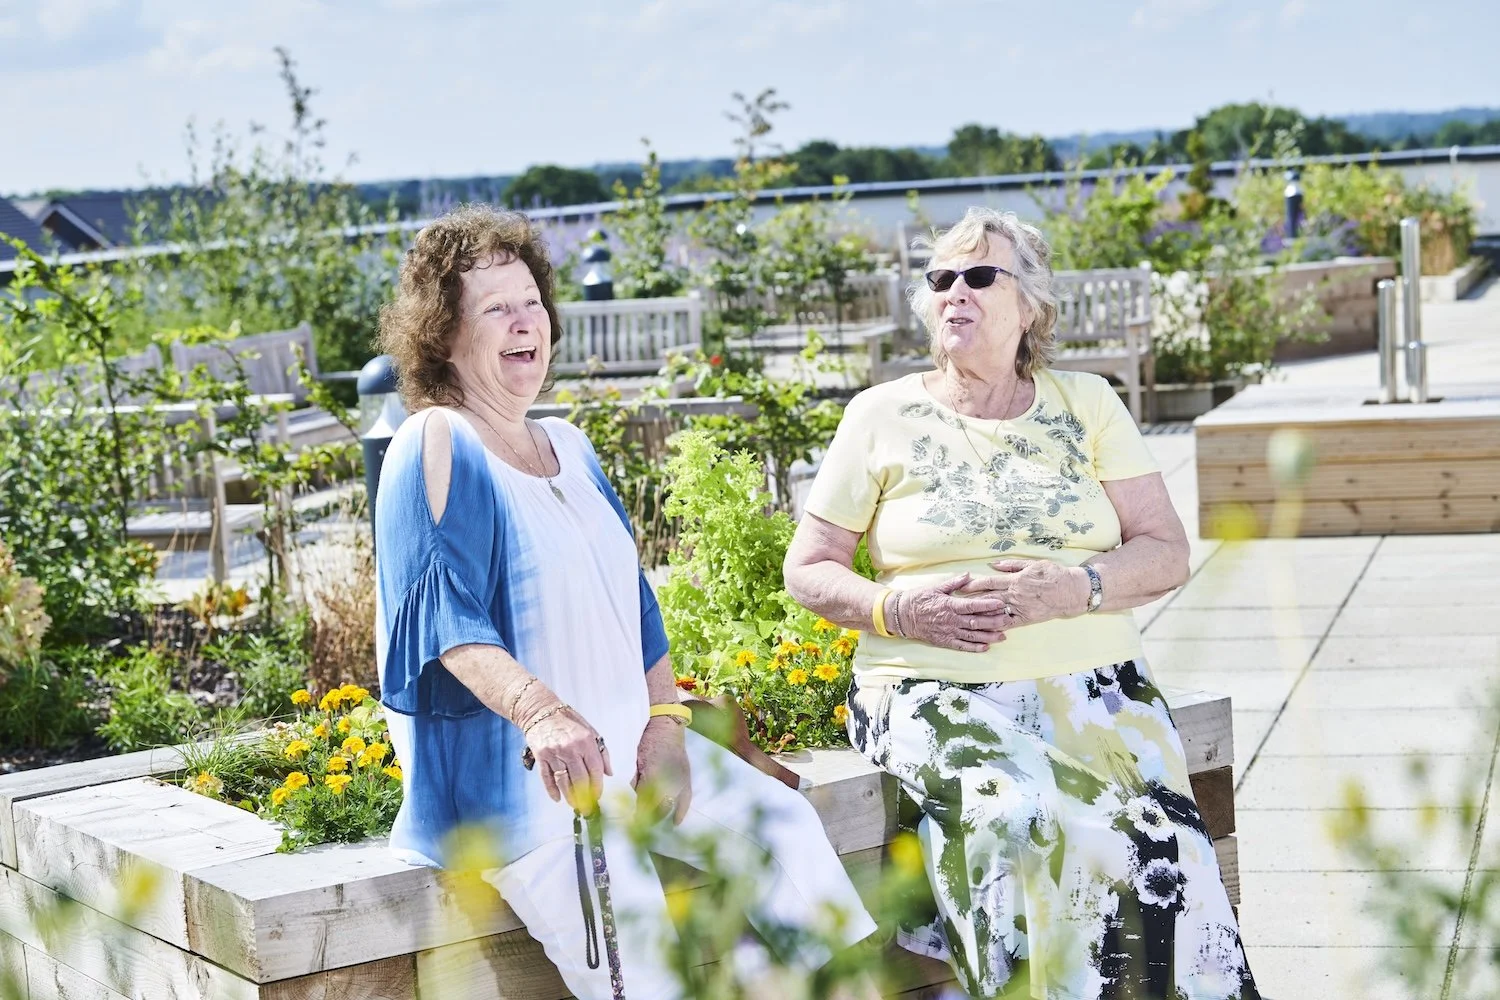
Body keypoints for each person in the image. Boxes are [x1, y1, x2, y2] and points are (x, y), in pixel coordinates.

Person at [373, 204, 876, 998]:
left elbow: (633, 604)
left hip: (631, 753)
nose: (523, 321)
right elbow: (444, 619)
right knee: (645, 973)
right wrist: (540, 711)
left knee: (787, 833)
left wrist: (668, 729)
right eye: (496, 309)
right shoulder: (437, 442)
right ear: (442, 335)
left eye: (532, 301)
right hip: (532, 792)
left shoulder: (569, 446)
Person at [784, 207, 1259, 999]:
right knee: (1015, 820)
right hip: (926, 687)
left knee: (1156, 840)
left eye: (978, 276)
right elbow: (810, 568)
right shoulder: (880, 414)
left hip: (1097, 683)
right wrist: (898, 610)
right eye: (940, 279)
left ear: (1030, 305)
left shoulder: (1087, 404)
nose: (953, 294)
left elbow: (1166, 551)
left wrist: (1077, 587)